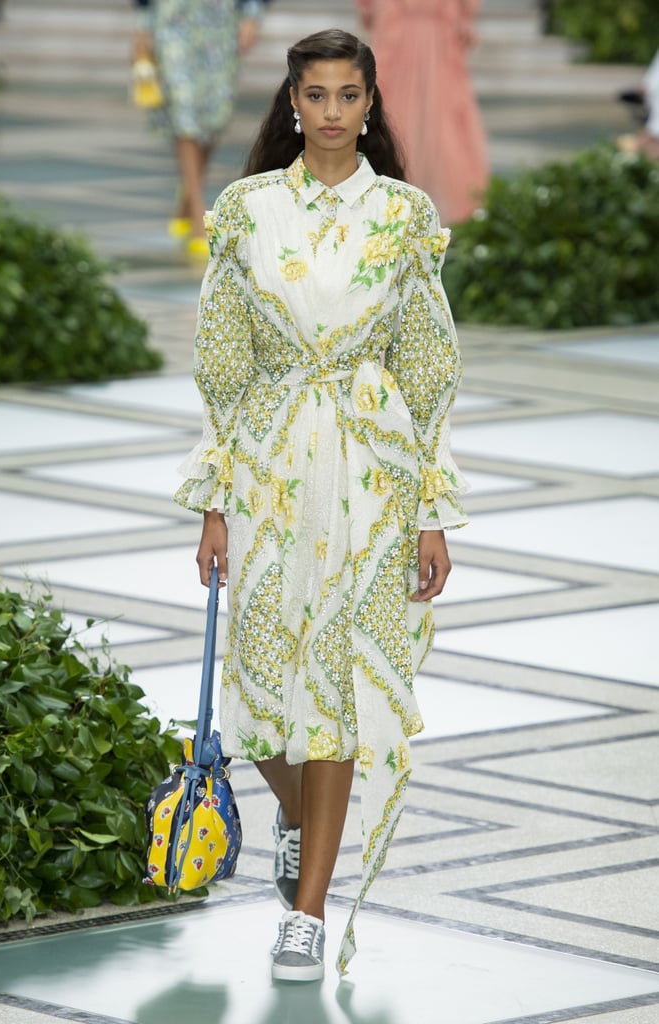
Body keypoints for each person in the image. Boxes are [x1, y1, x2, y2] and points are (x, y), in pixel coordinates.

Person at [174, 28, 468, 982]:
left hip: (373, 476)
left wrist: (429, 509)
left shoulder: (405, 215)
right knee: (259, 694)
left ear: (371, 104)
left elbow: (428, 370)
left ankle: (307, 912)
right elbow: (221, 362)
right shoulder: (247, 210)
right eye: (316, 95)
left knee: (336, 691)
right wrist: (215, 502)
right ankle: (300, 818)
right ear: (291, 105)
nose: (333, 112)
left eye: (349, 95)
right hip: (267, 465)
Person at [132, 0, 270, 257]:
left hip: (221, 19)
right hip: (172, 19)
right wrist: (143, 24)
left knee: (215, 116)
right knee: (184, 112)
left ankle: (185, 200)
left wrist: (253, 15)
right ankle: (198, 215)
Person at [354, 0, 489, 224]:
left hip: (409, 35)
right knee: (434, 120)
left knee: (401, 115)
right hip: (422, 36)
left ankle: (391, 197)